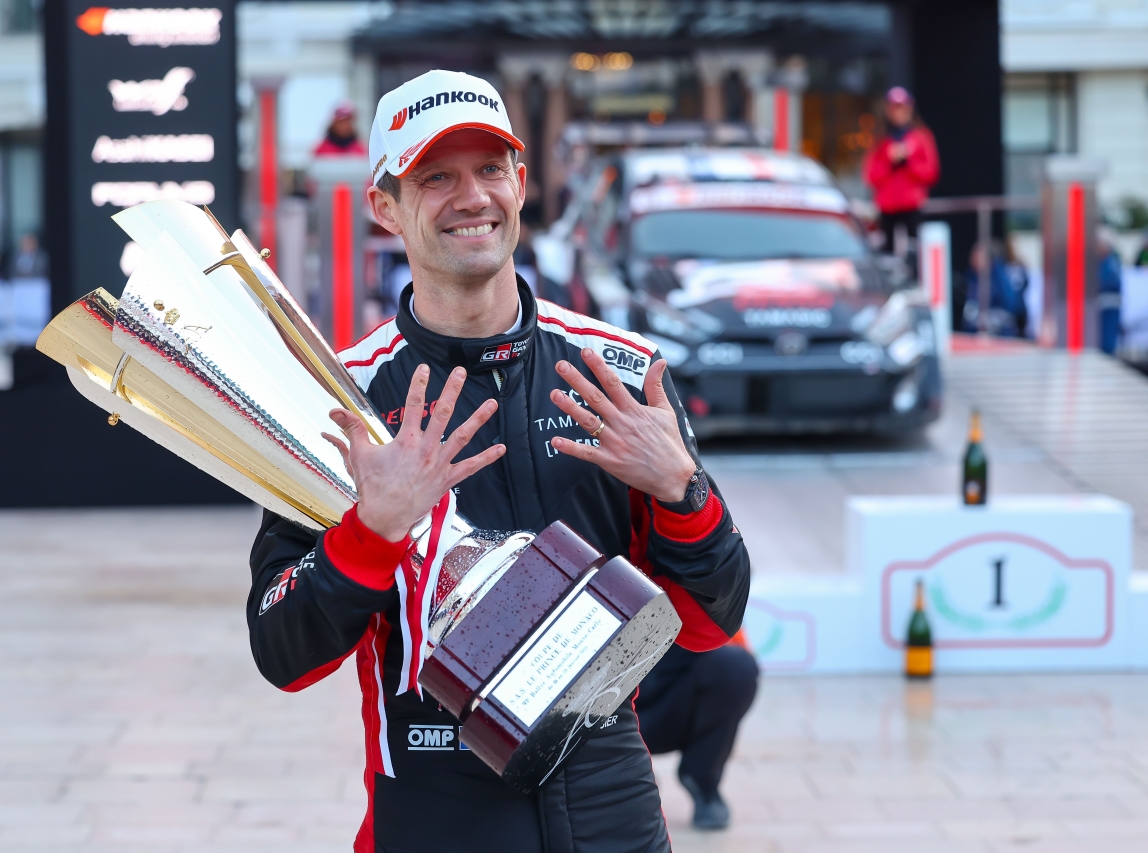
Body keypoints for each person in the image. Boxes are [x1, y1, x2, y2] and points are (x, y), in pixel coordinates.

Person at [248, 69, 751, 853]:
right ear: (385, 206)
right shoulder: (342, 403)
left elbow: (712, 623)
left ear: (520, 183)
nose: (472, 196)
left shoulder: (619, 372)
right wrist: (372, 532)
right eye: (435, 178)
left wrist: (684, 494)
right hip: (432, 810)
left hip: (611, 807)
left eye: (489, 168)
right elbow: (283, 653)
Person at [638, 639, 759, 830]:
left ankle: (701, 775)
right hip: (604, 714)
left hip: (674, 701)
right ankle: (628, 776)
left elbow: (734, 641)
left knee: (735, 666)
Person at [863, 87, 940, 263]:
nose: (898, 113)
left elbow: (931, 173)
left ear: (910, 109)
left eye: (902, 108)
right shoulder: (879, 140)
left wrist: (908, 161)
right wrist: (890, 161)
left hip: (912, 206)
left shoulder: (921, 137)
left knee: (915, 253)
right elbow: (870, 176)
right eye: (894, 108)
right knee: (887, 255)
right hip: (887, 208)